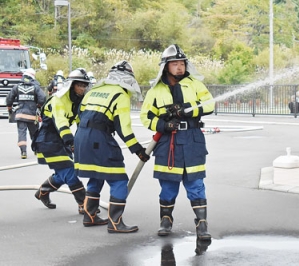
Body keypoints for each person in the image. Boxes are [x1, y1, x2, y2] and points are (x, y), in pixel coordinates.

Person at [140, 44, 214, 240]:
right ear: (166, 66)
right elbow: (145, 116)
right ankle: (166, 220)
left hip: (192, 139)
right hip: (168, 142)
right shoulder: (155, 90)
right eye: (175, 64)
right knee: (168, 185)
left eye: (182, 63)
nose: (180, 67)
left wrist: (186, 109)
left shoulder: (195, 84)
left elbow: (210, 104)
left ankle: (202, 224)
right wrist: (164, 125)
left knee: (196, 183)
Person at [74, 61, 150, 233]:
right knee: (119, 180)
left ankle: (90, 215)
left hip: (81, 136)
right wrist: (138, 150)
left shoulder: (93, 91)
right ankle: (115, 222)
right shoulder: (120, 95)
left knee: (96, 176)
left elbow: (79, 116)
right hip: (100, 139)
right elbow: (124, 128)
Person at [33, 68, 91, 214]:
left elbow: (80, 122)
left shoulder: (77, 102)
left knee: (63, 172)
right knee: (69, 172)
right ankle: (83, 203)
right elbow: (60, 122)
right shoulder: (58, 99)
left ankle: (43, 192)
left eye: (84, 86)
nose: (82, 89)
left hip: (60, 140)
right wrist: (70, 141)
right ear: (72, 85)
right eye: (80, 85)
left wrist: (83, 139)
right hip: (48, 140)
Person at [6, 68, 46, 159]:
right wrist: (38, 106)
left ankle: (23, 152)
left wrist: (9, 109)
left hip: (20, 114)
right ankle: (37, 150)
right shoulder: (35, 87)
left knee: (21, 133)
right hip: (32, 116)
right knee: (35, 133)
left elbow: (9, 98)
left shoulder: (17, 86)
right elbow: (42, 98)